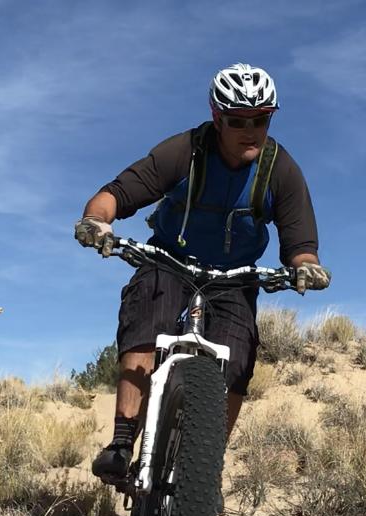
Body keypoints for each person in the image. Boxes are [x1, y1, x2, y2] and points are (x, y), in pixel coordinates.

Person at [75, 62, 330, 484]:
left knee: (238, 360)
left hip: (234, 277)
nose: (250, 129)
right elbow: (115, 195)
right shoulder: (185, 151)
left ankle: (205, 469)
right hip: (169, 261)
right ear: (217, 118)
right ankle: (122, 443)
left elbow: (301, 245)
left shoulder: (279, 169)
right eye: (237, 120)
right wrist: (97, 222)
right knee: (147, 321)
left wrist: (307, 270)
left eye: (261, 119)